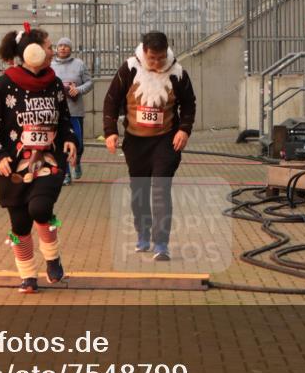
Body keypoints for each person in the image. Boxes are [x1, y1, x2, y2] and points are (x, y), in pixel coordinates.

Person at [0, 23, 78, 294]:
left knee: (40, 209)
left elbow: (64, 117)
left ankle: (52, 257)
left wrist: (69, 139)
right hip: (13, 166)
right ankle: (28, 276)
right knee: (20, 224)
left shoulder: (54, 83)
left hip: (49, 161)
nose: (52, 51)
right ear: (32, 51)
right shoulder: (4, 85)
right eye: (48, 46)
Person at [103, 31, 196, 262]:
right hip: (135, 141)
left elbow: (189, 104)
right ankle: (143, 232)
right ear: (144, 51)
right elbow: (111, 100)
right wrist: (110, 132)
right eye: (152, 58)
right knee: (139, 191)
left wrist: (184, 129)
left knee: (161, 189)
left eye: (161, 58)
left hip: (166, 139)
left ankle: (161, 243)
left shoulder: (178, 73)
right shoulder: (129, 69)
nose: (156, 63)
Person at [51, 37, 92, 185]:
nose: (62, 48)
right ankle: (66, 174)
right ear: (56, 48)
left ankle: (78, 160)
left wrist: (78, 89)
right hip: (57, 113)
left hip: (75, 111)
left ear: (70, 49)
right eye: (60, 45)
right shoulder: (50, 65)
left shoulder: (79, 64)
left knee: (78, 144)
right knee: (62, 144)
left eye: (66, 46)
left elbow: (89, 82)